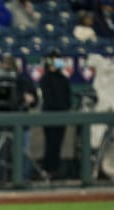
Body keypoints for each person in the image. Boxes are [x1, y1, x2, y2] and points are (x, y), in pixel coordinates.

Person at [40, 49, 71, 178]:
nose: (54, 63)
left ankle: (56, 170)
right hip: (49, 115)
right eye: (52, 60)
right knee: (50, 142)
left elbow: (67, 98)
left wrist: (65, 109)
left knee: (58, 143)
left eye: (57, 60)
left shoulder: (63, 78)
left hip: (62, 115)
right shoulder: (45, 78)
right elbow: (48, 98)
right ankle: (48, 169)